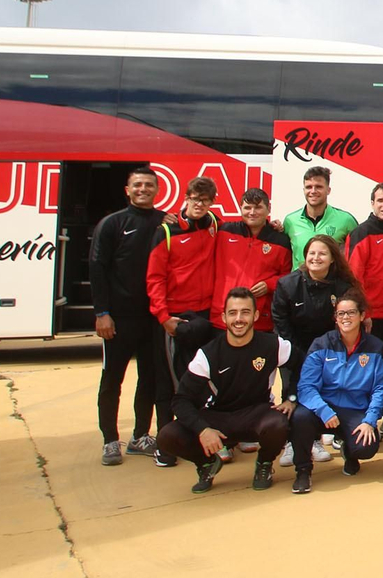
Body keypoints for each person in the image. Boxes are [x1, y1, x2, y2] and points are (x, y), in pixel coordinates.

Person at [155, 288, 292, 493]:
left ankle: (264, 464)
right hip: (217, 418)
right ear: (224, 317)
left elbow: (304, 367)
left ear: (255, 315)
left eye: (245, 312)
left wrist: (291, 397)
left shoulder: (273, 345)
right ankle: (206, 464)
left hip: (256, 413)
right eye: (233, 313)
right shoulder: (207, 354)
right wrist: (203, 429)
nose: (239, 319)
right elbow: (181, 400)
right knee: (167, 436)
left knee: (280, 422)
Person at [91, 166, 166, 465]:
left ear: (157, 189)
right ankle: (110, 440)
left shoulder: (165, 221)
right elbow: (97, 268)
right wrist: (102, 313)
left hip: (152, 317)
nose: (143, 189)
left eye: (149, 185)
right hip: (118, 319)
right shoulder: (112, 224)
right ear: (128, 189)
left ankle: (139, 436)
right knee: (112, 379)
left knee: (149, 378)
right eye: (137, 185)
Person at [288, 290, 383, 494]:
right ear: (335, 318)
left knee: (366, 447)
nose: (346, 318)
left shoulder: (375, 347)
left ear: (362, 316)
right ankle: (303, 470)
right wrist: (324, 410)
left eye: (351, 313)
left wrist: (370, 420)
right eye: (340, 314)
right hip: (323, 409)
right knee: (300, 416)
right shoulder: (321, 344)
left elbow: (381, 388)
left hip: (354, 410)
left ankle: (350, 453)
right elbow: (306, 386)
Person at [147, 177, 220, 453]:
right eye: (194, 199)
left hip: (205, 315)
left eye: (205, 200)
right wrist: (163, 316)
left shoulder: (214, 224)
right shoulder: (166, 230)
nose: (199, 204)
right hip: (175, 318)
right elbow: (154, 278)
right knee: (170, 383)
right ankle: (166, 445)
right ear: (186, 198)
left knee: (204, 380)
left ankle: (206, 437)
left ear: (212, 202)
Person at [270, 234, 352, 467]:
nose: (316, 258)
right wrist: (299, 356)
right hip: (294, 349)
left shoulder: (342, 287)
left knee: (323, 394)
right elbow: (281, 322)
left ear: (332, 259)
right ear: (305, 256)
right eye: (312, 253)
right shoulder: (287, 285)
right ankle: (290, 443)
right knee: (292, 394)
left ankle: (315, 438)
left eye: (322, 253)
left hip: (328, 351)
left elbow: (345, 323)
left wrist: (323, 355)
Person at [210, 187, 292, 334]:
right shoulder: (224, 231)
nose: (252, 212)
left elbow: (288, 275)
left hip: (260, 321)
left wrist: (269, 285)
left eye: (258, 207)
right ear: (240, 208)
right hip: (222, 319)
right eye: (247, 207)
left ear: (269, 208)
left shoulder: (281, 240)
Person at [345, 182, 383, 343]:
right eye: (380, 200)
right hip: (370, 316)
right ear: (372, 203)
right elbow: (353, 277)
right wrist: (363, 312)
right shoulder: (361, 233)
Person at [282, 166, 359, 268]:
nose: (313, 191)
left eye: (318, 187)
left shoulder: (346, 220)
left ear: (328, 190)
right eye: (309, 187)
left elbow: (356, 258)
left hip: (332, 282)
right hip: (299, 283)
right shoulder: (290, 221)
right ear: (303, 190)